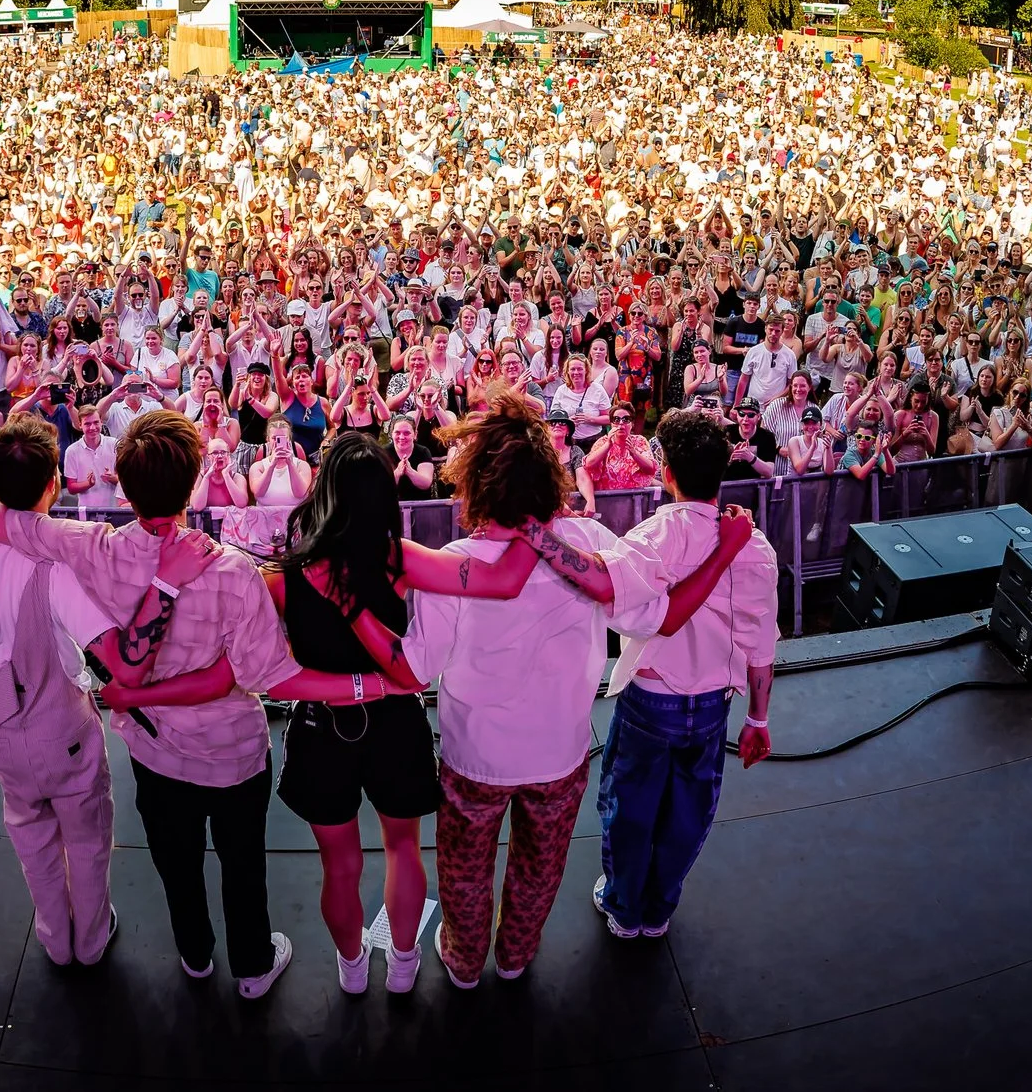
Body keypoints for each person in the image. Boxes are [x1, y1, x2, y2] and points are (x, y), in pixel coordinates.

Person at [0, 410, 410, 1000]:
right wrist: (369, 687)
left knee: (176, 864)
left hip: (155, 754)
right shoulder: (233, 571)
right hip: (234, 757)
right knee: (242, 867)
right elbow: (274, 678)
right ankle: (254, 968)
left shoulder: (93, 548)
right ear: (195, 479)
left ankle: (196, 955)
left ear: (123, 487)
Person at [382, 390, 747, 988]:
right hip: (561, 755)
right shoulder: (595, 546)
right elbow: (662, 617)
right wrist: (724, 552)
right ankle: (516, 958)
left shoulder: (453, 561)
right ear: (548, 479)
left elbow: (418, 669)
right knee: (539, 867)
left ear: (475, 482)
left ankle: (464, 963)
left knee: (466, 872)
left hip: (475, 757)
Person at [0, 416, 218, 968]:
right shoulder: (56, 568)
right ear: (54, 485)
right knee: (87, 839)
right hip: (62, 729)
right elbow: (124, 665)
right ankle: (90, 941)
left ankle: (55, 939)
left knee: (31, 837)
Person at [267, 431, 537, 993]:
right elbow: (501, 581)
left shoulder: (289, 572)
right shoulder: (398, 558)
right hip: (394, 722)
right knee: (402, 846)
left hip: (322, 727)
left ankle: (352, 968)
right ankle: (406, 964)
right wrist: (542, 519)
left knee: (339, 866)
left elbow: (265, 667)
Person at [503, 407, 771, 939]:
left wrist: (536, 535)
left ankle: (625, 908)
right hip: (715, 706)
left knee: (630, 808)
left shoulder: (657, 535)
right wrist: (759, 719)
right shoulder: (755, 545)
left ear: (665, 470)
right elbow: (760, 644)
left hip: (652, 700)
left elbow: (603, 583)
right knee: (689, 814)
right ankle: (659, 908)